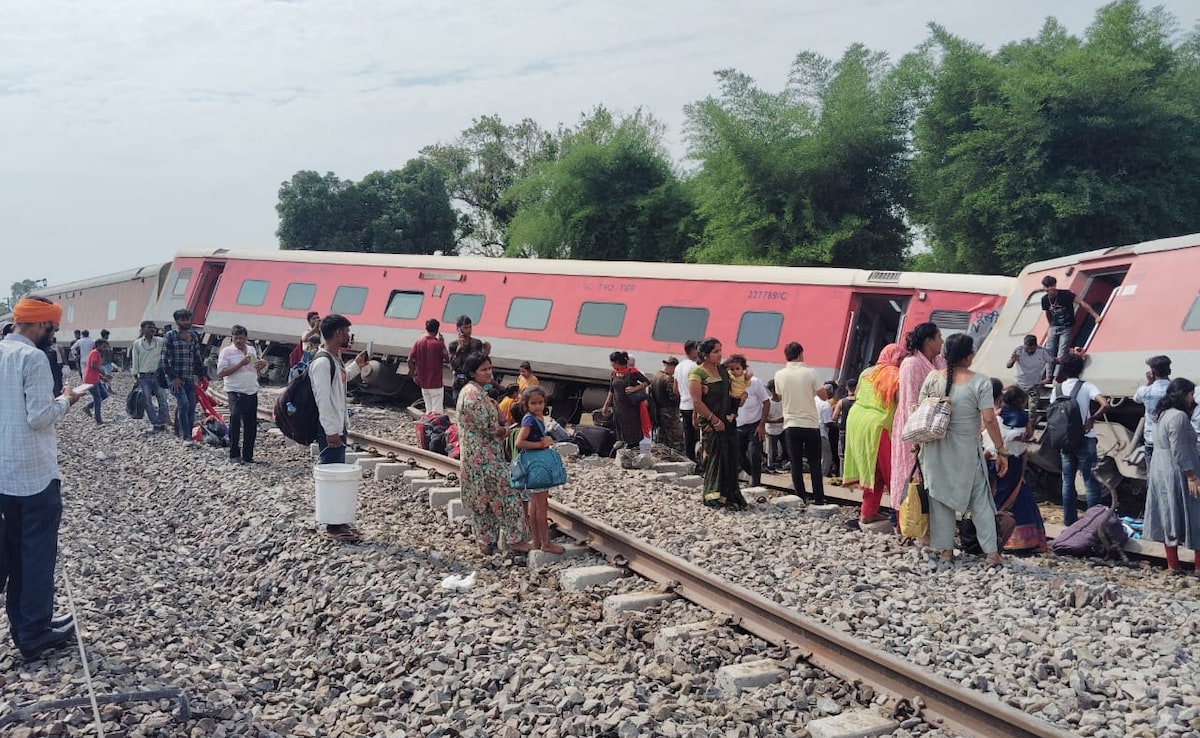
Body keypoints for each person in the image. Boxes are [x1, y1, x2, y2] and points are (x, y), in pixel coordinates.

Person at [1, 298, 84, 660]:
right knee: (37, 554)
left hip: (3, 473)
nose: (54, 334)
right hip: (33, 474)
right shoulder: (32, 358)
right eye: (53, 327)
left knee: (15, 553)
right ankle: (34, 632)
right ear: (41, 325)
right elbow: (38, 417)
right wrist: (67, 400)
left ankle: (22, 624)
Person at [918, 333, 1007, 566]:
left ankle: (946, 551)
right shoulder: (980, 382)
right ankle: (992, 554)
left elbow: (919, 411)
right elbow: (989, 419)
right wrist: (1001, 450)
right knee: (980, 500)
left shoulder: (932, 378)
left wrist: (917, 446)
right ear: (969, 357)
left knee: (940, 498)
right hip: (966, 449)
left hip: (935, 447)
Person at [456, 352, 528, 554]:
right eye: (484, 369)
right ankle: (516, 540)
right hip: (483, 458)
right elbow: (489, 428)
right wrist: (507, 431)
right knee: (508, 495)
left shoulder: (474, 392)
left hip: (478, 457)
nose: (489, 372)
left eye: (489, 368)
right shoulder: (473, 396)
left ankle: (486, 541)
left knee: (483, 499)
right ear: (472, 372)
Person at [310, 314, 369, 542]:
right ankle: (333, 526)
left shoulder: (335, 359)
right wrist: (331, 430)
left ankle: (338, 521)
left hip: (337, 426)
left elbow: (339, 384)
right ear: (337, 333)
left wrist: (356, 366)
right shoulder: (323, 362)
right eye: (346, 331)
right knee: (331, 475)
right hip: (330, 428)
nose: (348, 335)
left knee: (336, 471)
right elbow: (323, 399)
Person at [1142, 378, 1200, 574]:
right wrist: (1191, 476)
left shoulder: (1162, 414)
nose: (1193, 399)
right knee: (1194, 514)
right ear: (1182, 395)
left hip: (1161, 468)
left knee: (1169, 514)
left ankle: (1173, 564)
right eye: (1191, 394)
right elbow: (1179, 449)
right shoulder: (1179, 417)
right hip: (1178, 470)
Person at [891, 323, 946, 530]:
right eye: (939, 337)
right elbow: (909, 403)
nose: (942, 341)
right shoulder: (912, 364)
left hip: (936, 430)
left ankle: (930, 527)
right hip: (914, 430)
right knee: (912, 477)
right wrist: (916, 438)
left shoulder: (939, 362)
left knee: (931, 479)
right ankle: (909, 525)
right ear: (928, 340)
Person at [842, 345, 903, 526]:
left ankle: (868, 512)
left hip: (856, 421)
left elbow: (859, 393)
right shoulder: (894, 374)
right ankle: (902, 522)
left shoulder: (866, 372)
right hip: (879, 425)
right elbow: (902, 400)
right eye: (901, 358)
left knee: (872, 470)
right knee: (894, 474)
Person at [983, 382, 1048, 553]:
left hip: (996, 461)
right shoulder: (1024, 417)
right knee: (1020, 496)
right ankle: (1026, 540)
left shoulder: (996, 416)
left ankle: (998, 535)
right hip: (1016, 462)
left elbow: (987, 439)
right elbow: (1029, 436)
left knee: (997, 497)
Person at [1051, 353, 1110, 525]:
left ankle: (1069, 522)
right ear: (1081, 369)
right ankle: (1092, 523)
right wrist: (1091, 418)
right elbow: (1105, 404)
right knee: (1090, 482)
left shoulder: (1057, 389)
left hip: (1065, 440)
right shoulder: (1087, 386)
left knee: (1067, 482)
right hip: (1085, 439)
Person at [689, 338, 745, 509]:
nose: (720, 355)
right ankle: (712, 495)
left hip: (728, 422)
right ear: (705, 355)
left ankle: (729, 495)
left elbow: (733, 391)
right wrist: (714, 420)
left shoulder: (722, 371)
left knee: (730, 457)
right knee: (714, 458)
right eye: (716, 352)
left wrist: (741, 398)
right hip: (711, 424)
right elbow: (697, 402)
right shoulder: (697, 374)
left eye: (720, 350)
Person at [774, 341, 828, 504]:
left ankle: (800, 497)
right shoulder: (811, 373)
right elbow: (824, 396)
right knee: (814, 464)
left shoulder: (779, 375)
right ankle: (818, 498)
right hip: (810, 425)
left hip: (790, 424)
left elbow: (779, 395)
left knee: (795, 464)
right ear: (800, 354)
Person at [512, 386, 563, 554]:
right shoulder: (530, 420)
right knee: (542, 506)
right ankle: (545, 543)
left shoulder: (534, 418)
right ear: (526, 404)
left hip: (535, 466)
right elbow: (520, 442)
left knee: (535, 505)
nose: (538, 406)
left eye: (540, 402)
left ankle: (536, 542)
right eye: (533, 403)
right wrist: (542, 444)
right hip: (537, 466)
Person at [217, 325, 266, 464]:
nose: (239, 341)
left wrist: (262, 364)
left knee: (251, 424)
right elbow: (220, 372)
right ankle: (234, 454)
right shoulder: (227, 352)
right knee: (235, 420)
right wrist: (240, 364)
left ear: (246, 337)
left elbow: (255, 367)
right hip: (235, 390)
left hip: (251, 390)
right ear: (232, 338)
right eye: (236, 338)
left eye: (241, 338)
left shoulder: (250, 350)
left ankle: (248, 455)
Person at [1040, 275, 1102, 373]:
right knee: (1049, 351)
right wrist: (1050, 325)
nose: (1048, 289)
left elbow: (1082, 303)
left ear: (1054, 285)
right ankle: (1048, 376)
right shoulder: (1044, 299)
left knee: (1062, 351)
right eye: (1046, 287)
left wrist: (1096, 316)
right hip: (1053, 327)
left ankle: (1057, 375)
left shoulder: (1066, 294)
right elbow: (1047, 313)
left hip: (1066, 326)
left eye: (1050, 286)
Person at [728, 355, 770, 488]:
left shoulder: (755, 382)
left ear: (744, 369)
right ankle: (751, 473)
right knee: (739, 455)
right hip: (738, 425)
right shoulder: (730, 384)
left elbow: (766, 402)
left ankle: (756, 484)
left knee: (754, 454)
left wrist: (762, 425)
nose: (735, 371)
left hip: (754, 424)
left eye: (738, 368)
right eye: (732, 369)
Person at [163, 309, 205, 442]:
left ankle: (188, 434)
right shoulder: (170, 336)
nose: (186, 322)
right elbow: (165, 359)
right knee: (184, 403)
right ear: (177, 321)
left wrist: (201, 375)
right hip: (174, 378)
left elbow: (197, 357)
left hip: (189, 378)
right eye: (182, 319)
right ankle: (185, 435)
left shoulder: (193, 336)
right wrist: (173, 377)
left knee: (192, 405)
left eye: (187, 319)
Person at [601, 351, 650, 448]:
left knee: (632, 429)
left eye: (612, 362)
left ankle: (634, 449)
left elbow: (647, 382)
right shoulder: (614, 374)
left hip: (630, 408)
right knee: (619, 428)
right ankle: (622, 447)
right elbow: (611, 390)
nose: (611, 364)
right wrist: (606, 405)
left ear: (617, 362)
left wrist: (635, 388)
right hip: (618, 407)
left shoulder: (632, 373)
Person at [1133, 355, 1172, 466]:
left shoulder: (1144, 391)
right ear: (1169, 371)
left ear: (1152, 373)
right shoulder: (1175, 390)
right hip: (1170, 440)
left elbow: (1136, 399)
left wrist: (1149, 382)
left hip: (1151, 439)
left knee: (1152, 475)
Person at [131, 321, 169, 432]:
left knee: (163, 400)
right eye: (149, 327)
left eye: (154, 328)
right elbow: (135, 360)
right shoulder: (137, 344)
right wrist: (135, 376)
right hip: (144, 377)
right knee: (147, 401)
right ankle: (155, 424)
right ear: (143, 329)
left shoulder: (161, 341)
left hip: (158, 376)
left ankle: (162, 422)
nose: (152, 329)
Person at [408, 318, 450, 415]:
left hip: (423, 383)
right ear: (437, 331)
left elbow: (409, 359)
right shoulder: (438, 344)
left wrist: (413, 374)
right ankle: (434, 428)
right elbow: (447, 359)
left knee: (428, 410)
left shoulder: (418, 343)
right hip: (436, 383)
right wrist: (443, 343)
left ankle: (427, 427)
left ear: (426, 329)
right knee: (437, 412)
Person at [649, 357, 684, 452]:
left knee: (661, 437)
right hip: (669, 413)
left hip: (658, 411)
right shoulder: (668, 379)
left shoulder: (655, 376)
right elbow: (674, 397)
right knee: (674, 438)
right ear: (673, 367)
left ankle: (662, 455)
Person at [675, 340, 700, 462]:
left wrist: (683, 394)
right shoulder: (694, 367)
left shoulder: (678, 367)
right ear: (692, 350)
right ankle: (699, 462)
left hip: (683, 405)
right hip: (694, 406)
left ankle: (690, 461)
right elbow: (697, 390)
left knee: (688, 437)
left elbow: (675, 389)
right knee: (698, 437)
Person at [448, 315, 484, 396]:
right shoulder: (453, 345)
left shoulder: (476, 343)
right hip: (459, 380)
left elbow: (480, 362)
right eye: (465, 328)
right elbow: (452, 365)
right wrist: (459, 349)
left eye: (470, 327)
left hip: (473, 380)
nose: (469, 330)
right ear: (459, 329)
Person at [832, 378, 857, 479]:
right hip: (856, 431)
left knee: (842, 455)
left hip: (844, 430)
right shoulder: (860, 401)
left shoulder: (842, 402)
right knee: (855, 454)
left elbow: (834, 417)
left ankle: (843, 477)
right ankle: (855, 477)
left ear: (847, 388)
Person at [83, 339, 112, 424]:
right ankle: (98, 419)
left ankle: (88, 407)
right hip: (90, 380)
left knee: (104, 395)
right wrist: (104, 374)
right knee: (97, 398)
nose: (105, 348)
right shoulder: (95, 353)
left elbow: (94, 368)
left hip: (95, 378)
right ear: (98, 345)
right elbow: (93, 365)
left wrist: (101, 377)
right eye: (103, 346)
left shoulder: (96, 353)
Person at [764, 380, 787, 473]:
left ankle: (781, 465)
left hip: (783, 429)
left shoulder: (783, 401)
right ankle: (771, 467)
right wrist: (775, 421)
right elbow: (763, 418)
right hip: (771, 430)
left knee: (786, 449)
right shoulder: (768, 403)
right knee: (772, 451)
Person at [823, 381, 841, 475]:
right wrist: (839, 427)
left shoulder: (817, 400)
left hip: (820, 431)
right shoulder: (831, 403)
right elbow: (830, 421)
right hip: (829, 432)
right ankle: (830, 472)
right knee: (832, 453)